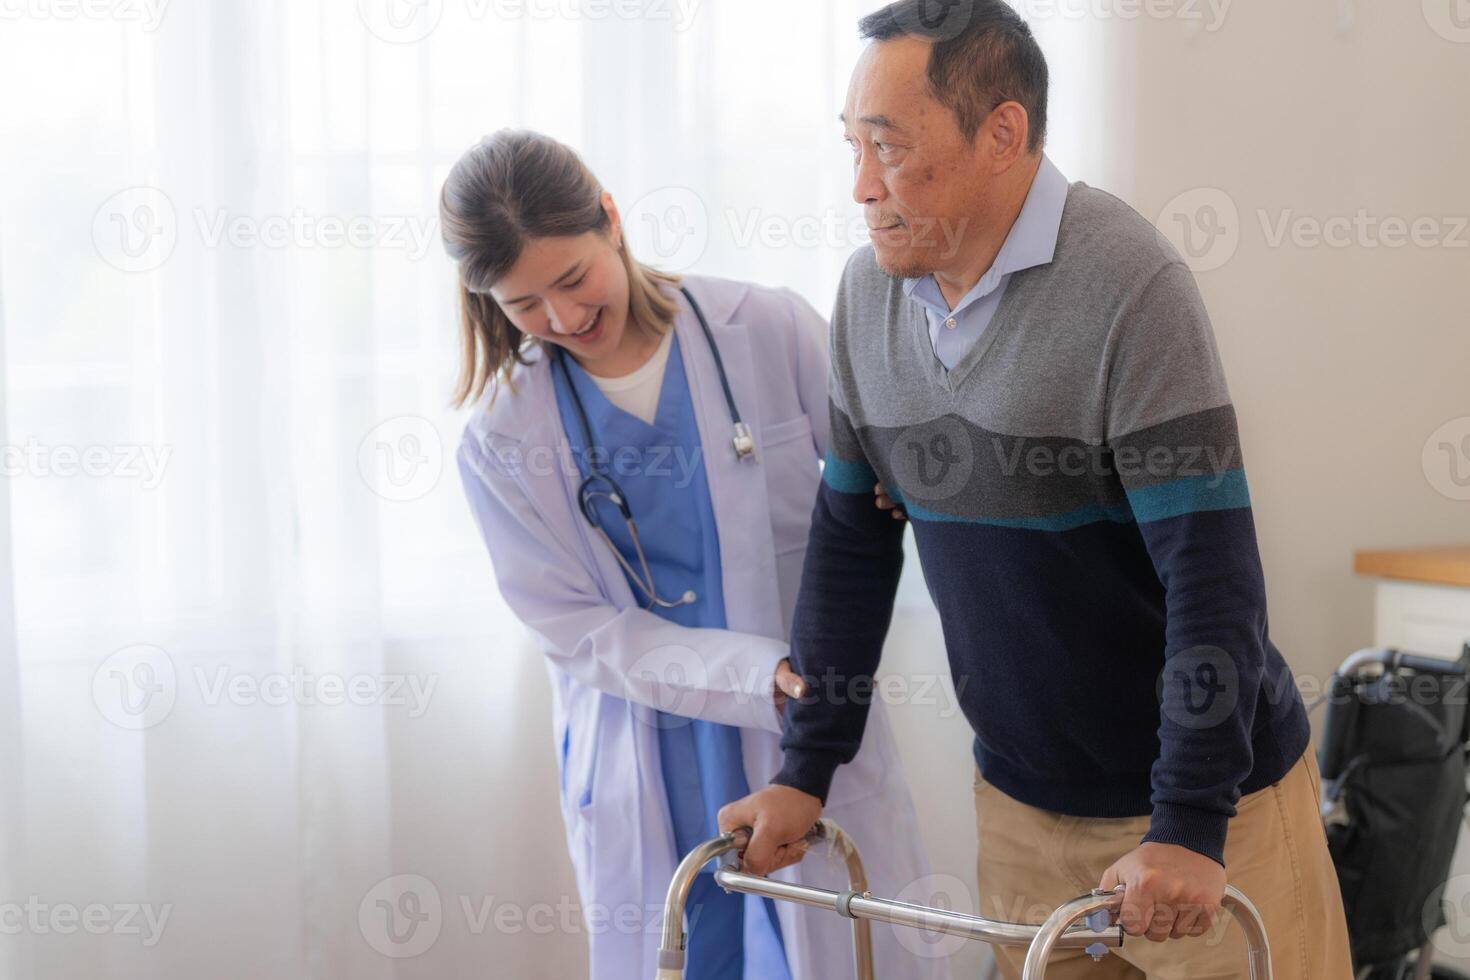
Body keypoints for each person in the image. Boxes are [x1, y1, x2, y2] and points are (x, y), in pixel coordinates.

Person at [717, 4, 1355, 978]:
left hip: (1210, 811)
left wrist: (1190, 820)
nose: (860, 185)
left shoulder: (1126, 285)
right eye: (853, 146)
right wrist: (805, 771)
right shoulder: (866, 299)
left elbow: (1213, 577)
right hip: (1021, 803)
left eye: (887, 148)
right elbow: (852, 547)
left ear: (1001, 133)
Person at [444, 129, 947, 980]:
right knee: (683, 951)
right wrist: (756, 673)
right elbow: (577, 630)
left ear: (611, 218)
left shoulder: (766, 327)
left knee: (842, 948)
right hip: (644, 747)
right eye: (524, 303)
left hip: (803, 733)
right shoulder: (501, 438)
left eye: (572, 279)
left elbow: (887, 472)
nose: (564, 318)